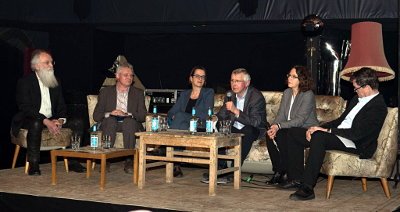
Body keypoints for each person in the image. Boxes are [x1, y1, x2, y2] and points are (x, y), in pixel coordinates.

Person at [284, 67, 387, 201]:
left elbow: (357, 134)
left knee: (320, 137)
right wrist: (317, 127)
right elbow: (340, 121)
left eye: (356, 88)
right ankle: (296, 179)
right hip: (340, 136)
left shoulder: (378, 107)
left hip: (356, 143)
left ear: (366, 87)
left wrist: (326, 131)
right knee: (294, 132)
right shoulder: (356, 99)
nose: (354, 91)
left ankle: (307, 187)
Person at [11, 49, 86, 176]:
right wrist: (45, 121)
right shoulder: (25, 82)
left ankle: (73, 161)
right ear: (37, 66)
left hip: (51, 119)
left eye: (52, 62)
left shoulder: (55, 81)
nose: (51, 65)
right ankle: (34, 164)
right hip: (30, 119)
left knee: (78, 122)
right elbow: (26, 108)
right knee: (36, 123)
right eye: (47, 63)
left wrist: (60, 120)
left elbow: (62, 105)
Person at [203, 68, 267, 183]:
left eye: (238, 81)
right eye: (232, 80)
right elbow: (222, 114)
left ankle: (232, 171)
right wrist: (214, 119)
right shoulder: (230, 94)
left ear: (247, 83)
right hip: (235, 127)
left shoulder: (256, 97)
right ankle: (220, 168)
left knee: (247, 130)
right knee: (219, 125)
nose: (234, 84)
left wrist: (236, 111)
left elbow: (255, 122)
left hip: (254, 129)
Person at [266, 66, 318, 185]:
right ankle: (279, 171)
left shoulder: (307, 95)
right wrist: (274, 126)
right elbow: (280, 115)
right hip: (289, 129)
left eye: (294, 76)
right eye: (289, 75)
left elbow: (299, 120)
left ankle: (294, 176)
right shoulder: (287, 92)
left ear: (302, 79)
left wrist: (279, 126)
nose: (289, 78)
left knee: (288, 134)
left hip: (306, 130)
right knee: (270, 134)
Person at [93, 62, 147, 174]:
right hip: (111, 122)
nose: (129, 78)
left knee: (129, 122)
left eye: (131, 75)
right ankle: (106, 158)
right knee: (110, 120)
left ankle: (129, 159)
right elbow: (96, 115)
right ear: (117, 76)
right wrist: (110, 113)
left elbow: (142, 116)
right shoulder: (105, 92)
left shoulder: (138, 93)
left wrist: (128, 114)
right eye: (126, 75)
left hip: (130, 122)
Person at [167, 66, 214, 177]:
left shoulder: (208, 93)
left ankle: (165, 148)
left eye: (203, 76)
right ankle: (176, 165)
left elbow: (206, 114)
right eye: (197, 76)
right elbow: (171, 112)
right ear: (191, 78)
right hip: (185, 125)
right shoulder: (184, 94)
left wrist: (181, 116)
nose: (200, 78)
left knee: (180, 116)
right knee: (181, 122)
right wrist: (175, 117)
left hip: (201, 125)